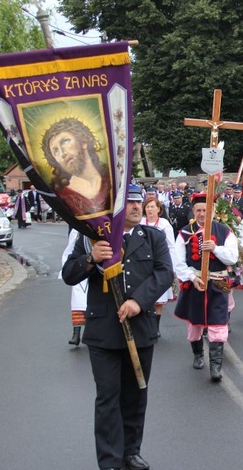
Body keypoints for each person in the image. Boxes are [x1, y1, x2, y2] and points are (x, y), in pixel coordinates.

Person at [62, 183, 173, 470]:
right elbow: (69, 275)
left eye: (139, 203)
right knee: (108, 396)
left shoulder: (153, 237)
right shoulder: (91, 239)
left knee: (136, 394)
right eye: (130, 203)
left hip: (140, 328)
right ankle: (110, 460)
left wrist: (138, 300)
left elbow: (163, 273)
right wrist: (90, 259)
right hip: (104, 332)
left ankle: (130, 451)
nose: (136, 207)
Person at [173, 192, 240, 381]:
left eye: (206, 210)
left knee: (219, 322)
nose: (202, 214)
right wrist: (190, 277)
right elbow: (178, 262)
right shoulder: (185, 232)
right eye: (199, 210)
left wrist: (215, 249)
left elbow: (233, 257)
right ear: (193, 212)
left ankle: (216, 367)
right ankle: (197, 355)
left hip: (218, 282)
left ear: (212, 211)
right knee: (194, 324)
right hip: (196, 283)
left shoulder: (224, 231)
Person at [41, 117, 111, 216]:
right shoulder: (62, 194)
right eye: (55, 151)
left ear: (84, 142)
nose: (62, 153)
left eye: (65, 141)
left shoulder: (111, 179)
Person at [140, 195, 177, 335]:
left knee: (158, 298)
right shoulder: (141, 223)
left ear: (158, 209)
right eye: (147, 207)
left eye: (152, 207)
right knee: (143, 294)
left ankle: (155, 327)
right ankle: (145, 325)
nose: (149, 210)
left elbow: (171, 246)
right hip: (143, 263)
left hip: (159, 262)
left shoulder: (164, 224)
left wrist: (172, 267)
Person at [60, 228, 88, 347]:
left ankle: (91, 334)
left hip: (96, 270)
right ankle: (76, 334)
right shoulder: (77, 231)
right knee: (78, 302)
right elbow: (70, 250)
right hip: (81, 268)